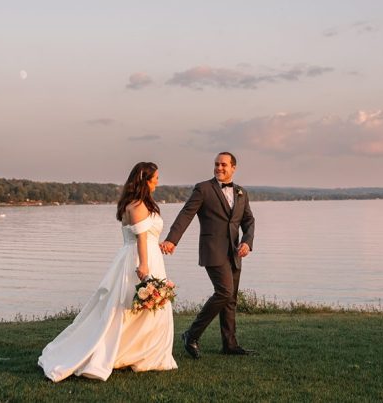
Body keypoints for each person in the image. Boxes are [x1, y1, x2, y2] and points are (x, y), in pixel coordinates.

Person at [38, 162, 178, 381]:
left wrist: (156, 245)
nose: (158, 182)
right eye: (156, 178)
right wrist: (144, 266)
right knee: (132, 307)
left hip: (147, 254)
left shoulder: (135, 204)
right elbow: (141, 238)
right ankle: (133, 353)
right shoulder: (138, 205)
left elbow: (145, 236)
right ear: (146, 180)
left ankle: (137, 351)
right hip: (141, 259)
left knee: (139, 307)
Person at [160, 151, 256, 357]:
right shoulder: (203, 188)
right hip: (213, 250)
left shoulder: (242, 192)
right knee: (224, 292)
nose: (219, 168)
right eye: (216, 164)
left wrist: (247, 242)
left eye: (223, 165)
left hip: (235, 252)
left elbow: (249, 221)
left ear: (233, 168)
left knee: (230, 299)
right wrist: (171, 239)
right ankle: (191, 335)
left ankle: (229, 345)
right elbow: (186, 214)